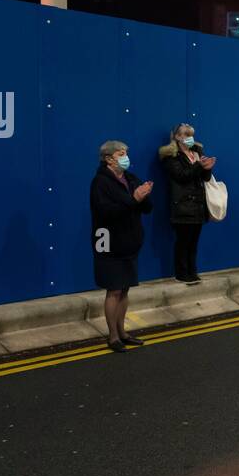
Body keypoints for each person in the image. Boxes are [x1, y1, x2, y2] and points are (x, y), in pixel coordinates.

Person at [90, 140, 153, 352]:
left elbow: (146, 209)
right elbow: (106, 212)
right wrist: (133, 200)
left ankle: (123, 331)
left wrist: (143, 196)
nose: (125, 157)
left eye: (126, 152)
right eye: (121, 154)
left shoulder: (131, 178)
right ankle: (113, 336)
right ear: (109, 159)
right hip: (109, 241)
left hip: (130, 240)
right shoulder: (100, 182)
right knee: (114, 289)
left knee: (125, 289)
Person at [158, 123, 216, 284]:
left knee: (194, 242)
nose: (189, 138)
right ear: (177, 137)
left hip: (198, 204)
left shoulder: (197, 152)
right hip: (182, 204)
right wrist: (199, 165)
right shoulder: (171, 156)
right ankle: (181, 273)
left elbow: (204, 178)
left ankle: (193, 271)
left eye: (191, 134)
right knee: (183, 241)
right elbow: (182, 175)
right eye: (185, 134)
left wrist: (207, 168)